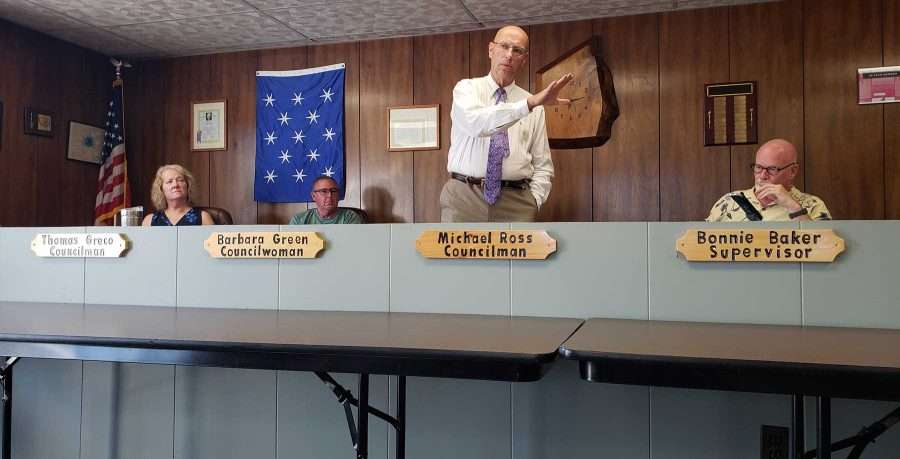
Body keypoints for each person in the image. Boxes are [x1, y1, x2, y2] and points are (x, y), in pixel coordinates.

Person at [441, 25, 574, 222]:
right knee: (458, 255)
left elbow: (542, 163)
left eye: (517, 50)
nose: (509, 55)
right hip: (463, 198)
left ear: (524, 59)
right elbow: (479, 124)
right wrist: (527, 105)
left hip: (516, 202)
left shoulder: (534, 104)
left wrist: (534, 200)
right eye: (504, 46)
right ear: (491, 50)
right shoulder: (466, 89)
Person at [707, 139, 831, 222]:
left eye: (772, 169)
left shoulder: (813, 205)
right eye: (758, 167)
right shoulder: (729, 201)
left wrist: (793, 207)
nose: (762, 175)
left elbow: (823, 248)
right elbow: (699, 243)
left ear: (793, 171)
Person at [142, 164, 214, 226]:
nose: (175, 185)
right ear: (161, 189)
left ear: (188, 186)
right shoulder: (149, 221)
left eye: (180, 180)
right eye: (169, 181)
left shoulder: (203, 218)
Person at [289, 176, 363, 224]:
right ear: (313, 196)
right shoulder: (299, 220)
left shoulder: (350, 217)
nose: (330, 195)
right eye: (324, 191)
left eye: (333, 191)